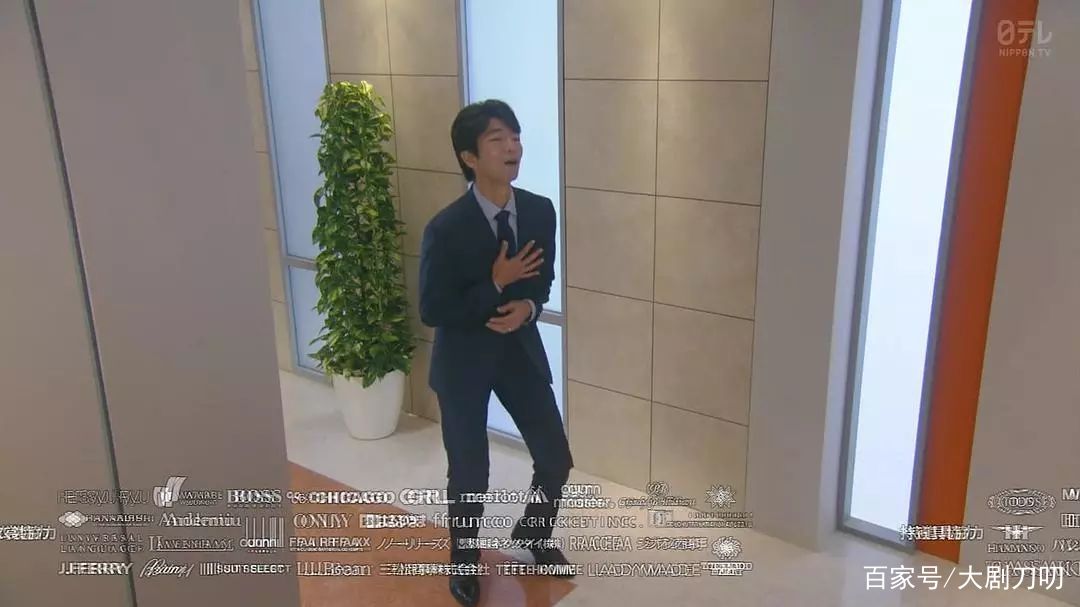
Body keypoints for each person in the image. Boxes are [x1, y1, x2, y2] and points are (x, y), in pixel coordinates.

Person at [419, 99, 574, 607]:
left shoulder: (539, 211)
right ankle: (464, 561)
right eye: (497, 139)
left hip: (518, 351)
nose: (513, 147)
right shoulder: (445, 228)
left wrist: (528, 306)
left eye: (516, 136)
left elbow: (543, 281)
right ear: (469, 156)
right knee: (470, 471)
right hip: (463, 362)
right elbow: (432, 308)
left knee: (555, 456)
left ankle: (535, 531)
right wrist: (495, 283)